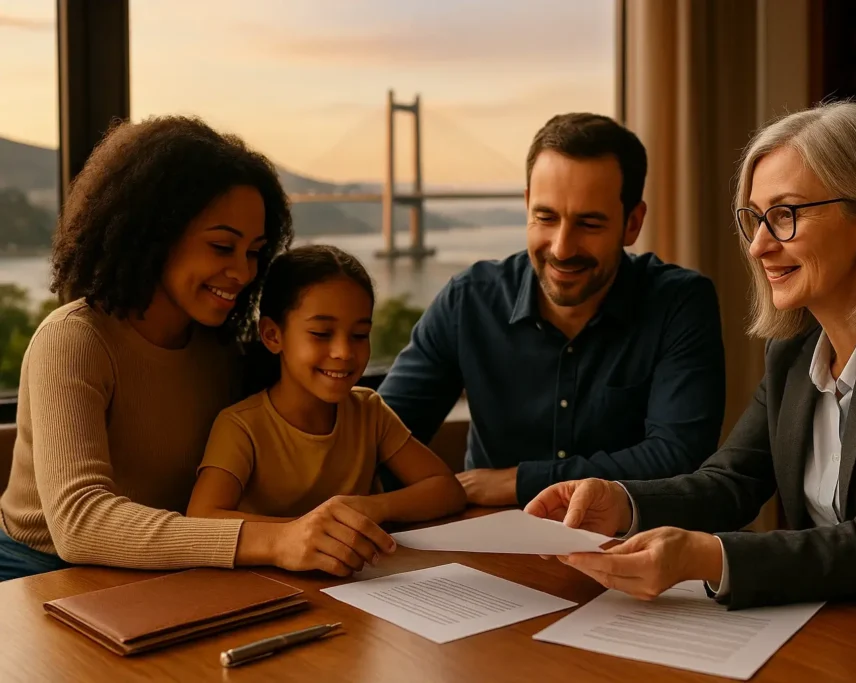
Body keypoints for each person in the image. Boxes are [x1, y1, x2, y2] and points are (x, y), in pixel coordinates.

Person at [525, 101, 856, 609]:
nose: (758, 246)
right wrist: (621, 502)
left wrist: (708, 557)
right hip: (842, 623)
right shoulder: (793, 351)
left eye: (784, 215)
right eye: (755, 219)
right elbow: (731, 482)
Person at [0, 116, 390, 581]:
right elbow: (79, 523)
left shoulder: (221, 348)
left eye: (254, 252)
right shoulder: (74, 339)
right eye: (223, 246)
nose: (244, 273)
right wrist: (277, 540)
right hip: (40, 572)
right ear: (153, 234)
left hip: (169, 567)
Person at [378, 113, 726, 508]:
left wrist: (519, 482)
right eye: (546, 217)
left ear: (632, 223)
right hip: (486, 550)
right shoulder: (468, 301)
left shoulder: (679, 303)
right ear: (527, 204)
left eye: (589, 224)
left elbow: (679, 457)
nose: (562, 248)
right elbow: (378, 440)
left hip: (631, 551)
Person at [187, 245, 466, 575]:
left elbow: (446, 489)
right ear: (273, 335)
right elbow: (201, 518)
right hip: (268, 586)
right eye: (321, 334)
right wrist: (306, 530)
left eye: (360, 334)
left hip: (356, 585)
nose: (344, 352)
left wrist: (371, 507)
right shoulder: (241, 426)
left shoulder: (369, 411)